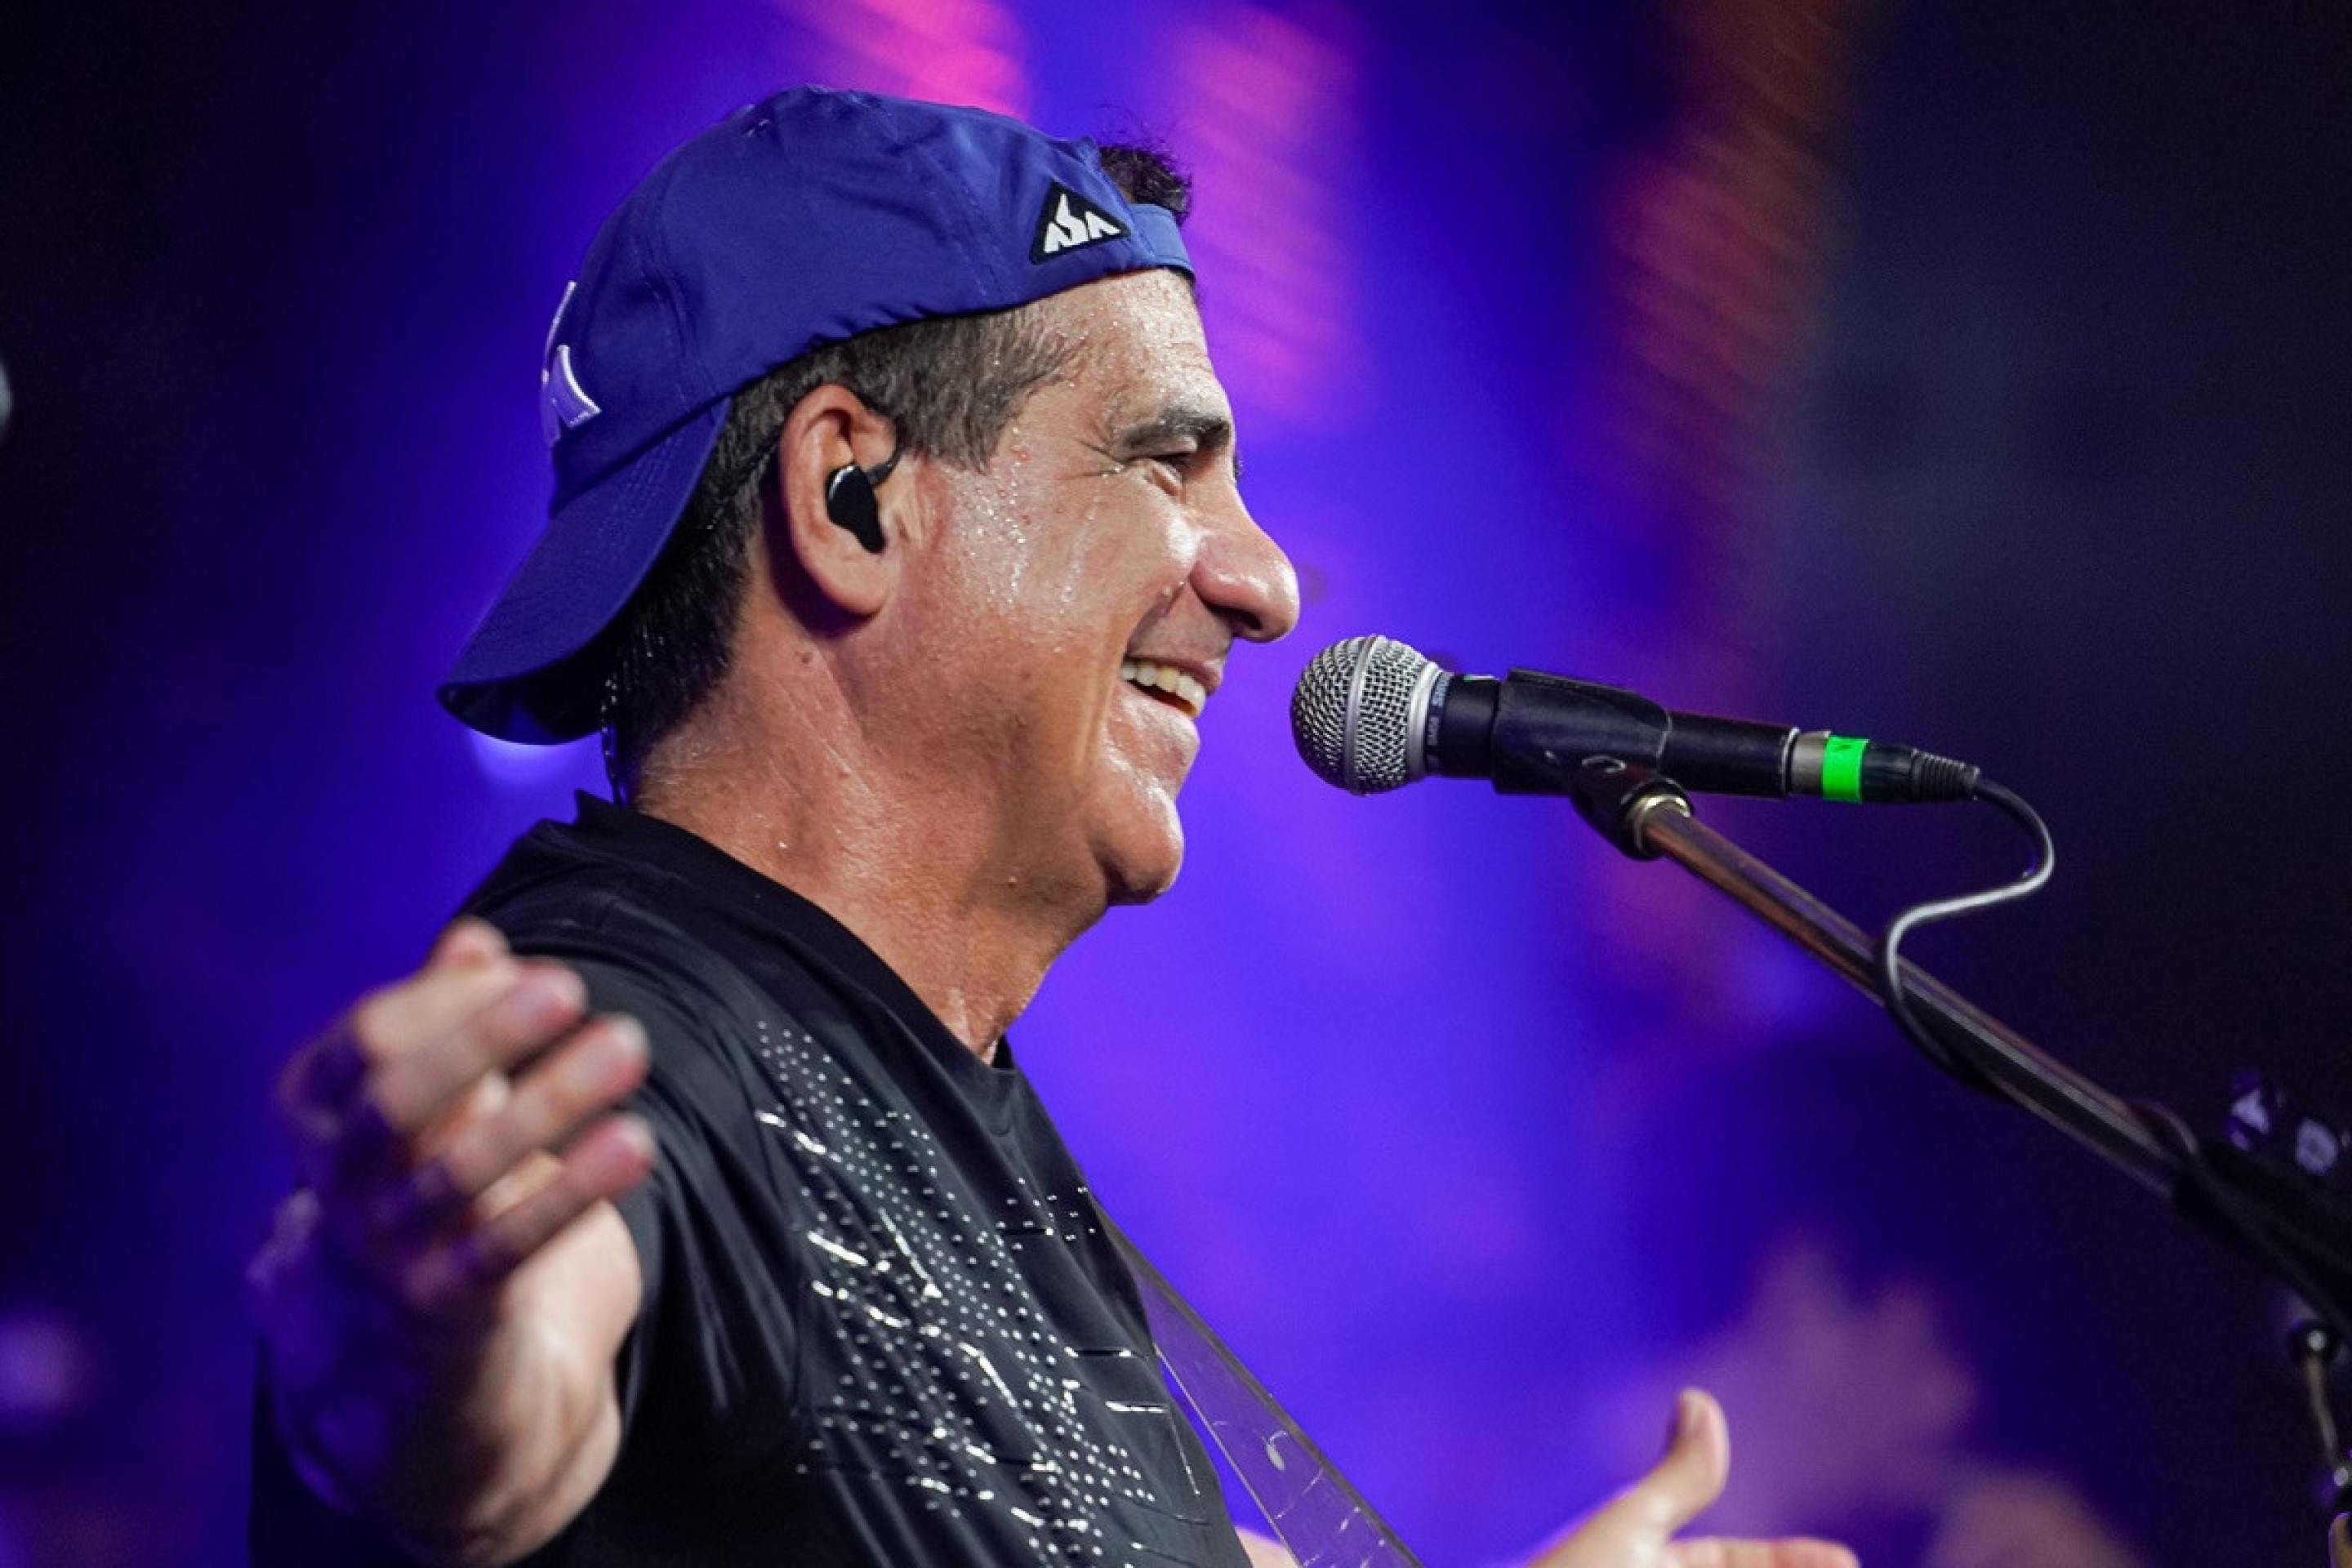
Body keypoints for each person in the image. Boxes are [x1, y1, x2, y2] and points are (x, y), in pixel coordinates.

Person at [246, 85, 1857, 1568]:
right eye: (1167, 462)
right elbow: (502, 1396)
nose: (1266, 585)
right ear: (855, 498)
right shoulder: (628, 1036)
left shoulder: (949, 1125)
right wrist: (420, 1344)